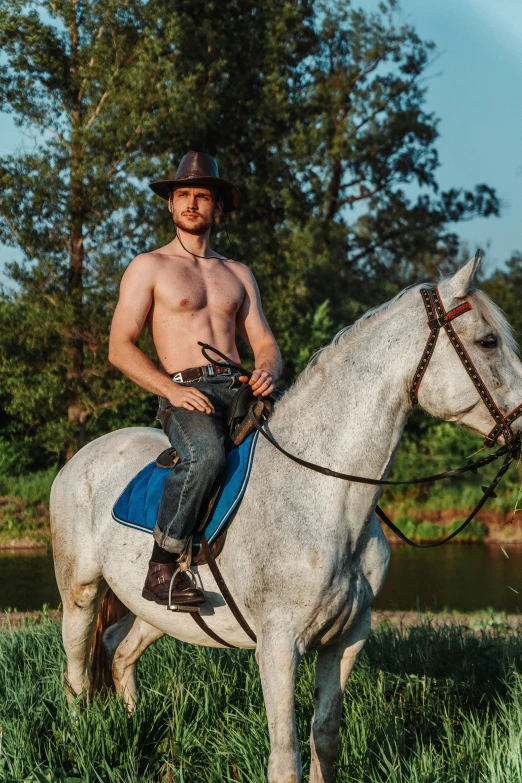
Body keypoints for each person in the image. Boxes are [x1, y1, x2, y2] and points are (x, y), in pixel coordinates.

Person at [109, 151, 282, 609]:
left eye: (201, 196)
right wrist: (170, 389)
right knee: (205, 456)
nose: (191, 203)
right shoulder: (149, 266)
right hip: (185, 391)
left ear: (217, 208)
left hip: (240, 389)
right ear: (170, 205)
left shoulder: (238, 273)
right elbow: (120, 346)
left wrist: (266, 369)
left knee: (299, 449)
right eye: (182, 195)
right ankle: (162, 568)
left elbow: (265, 342)